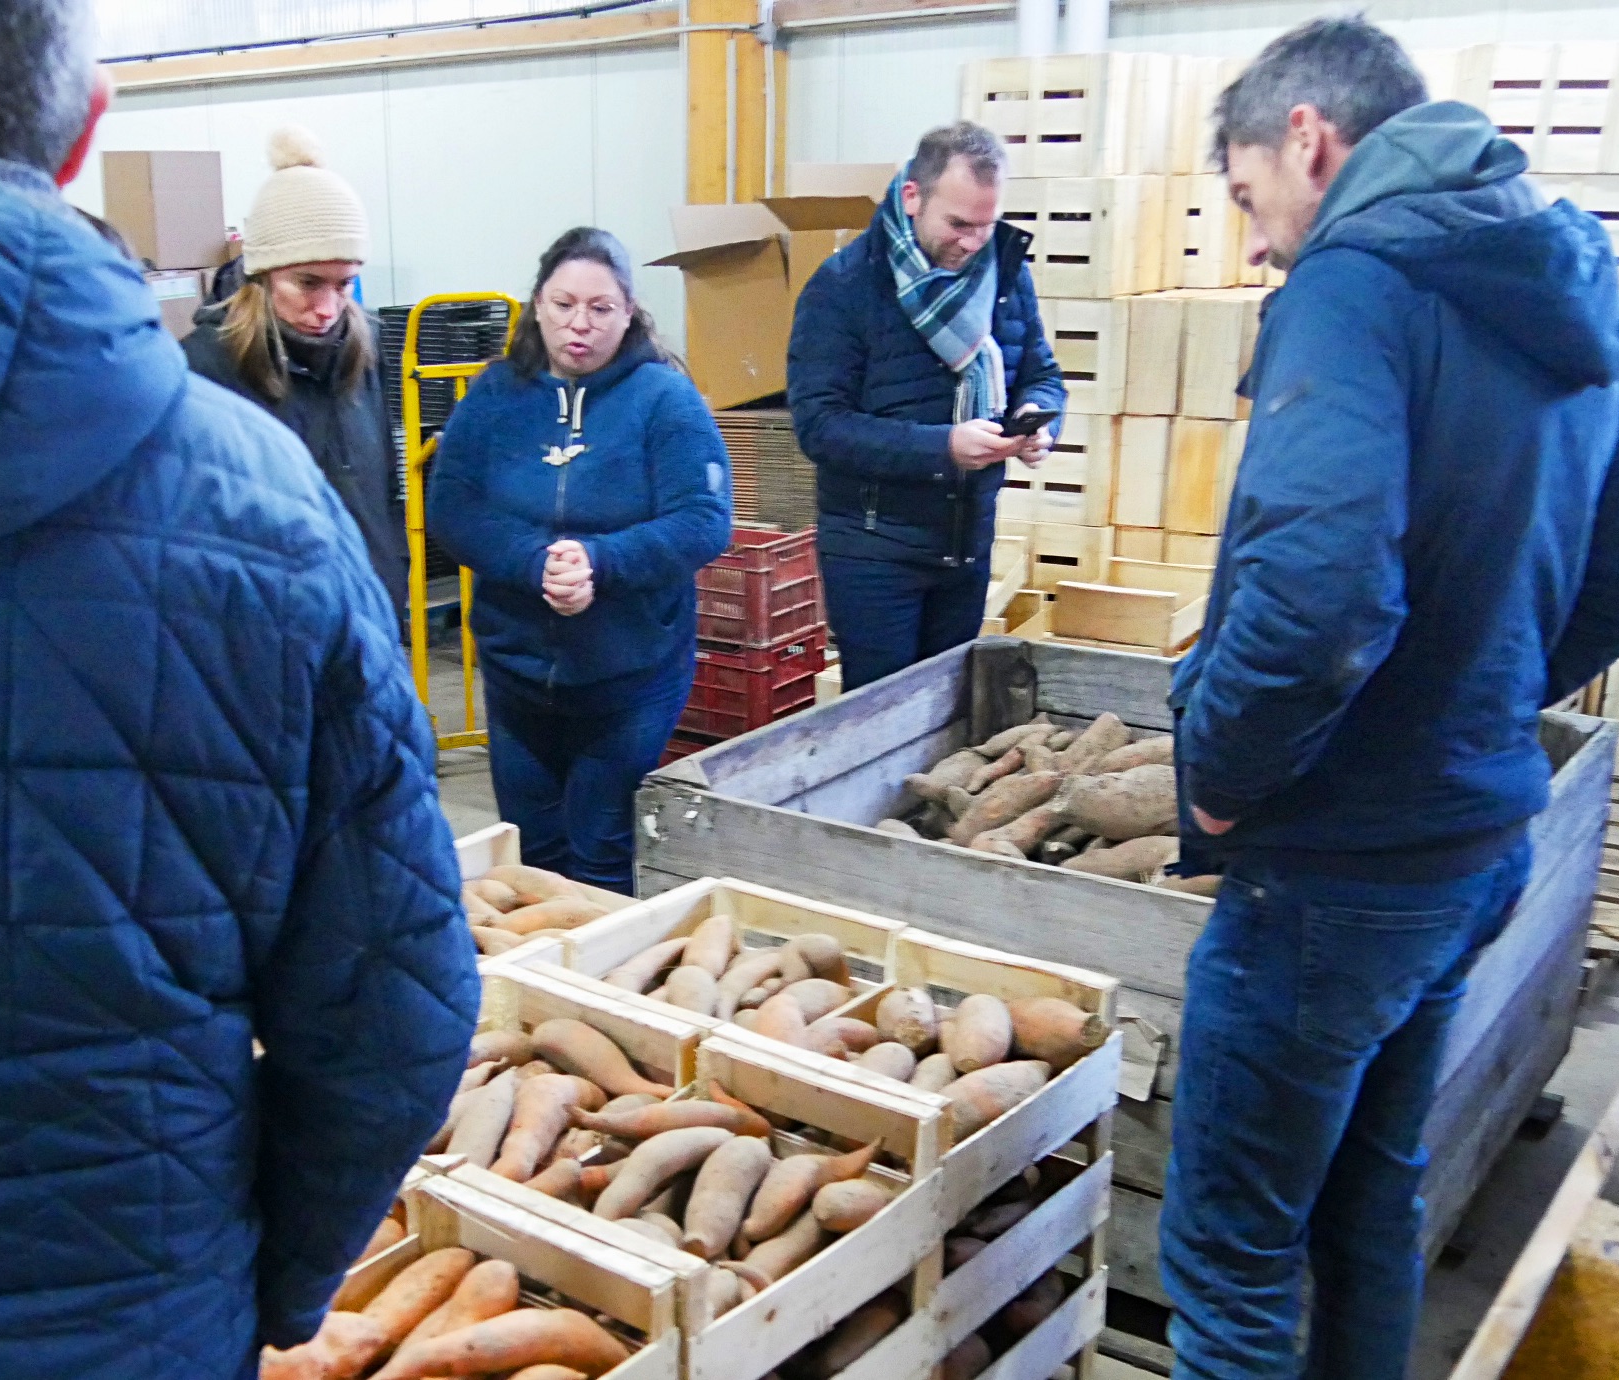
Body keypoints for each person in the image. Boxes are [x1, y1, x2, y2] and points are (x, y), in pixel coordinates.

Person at [0, 4, 479, 1377]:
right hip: (128, 1325)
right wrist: (258, 1290)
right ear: (89, 128)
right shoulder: (263, 514)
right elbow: (395, 1019)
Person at [1159, 18, 1619, 1379]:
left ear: (1308, 142)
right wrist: (1483, 704)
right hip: (1469, 853)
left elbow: (1319, 599)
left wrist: (1217, 774)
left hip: (1328, 879)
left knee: (1230, 1263)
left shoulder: (1350, 291)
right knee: (1368, 1208)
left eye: (1247, 196)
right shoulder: (1554, 291)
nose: (1258, 239)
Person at [431, 228, 731, 893]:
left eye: (600, 308)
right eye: (563, 303)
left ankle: (596, 984)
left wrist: (601, 561)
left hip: (628, 676)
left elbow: (703, 520)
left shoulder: (664, 401)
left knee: (598, 851)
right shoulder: (495, 396)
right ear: (536, 304)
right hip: (515, 677)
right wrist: (531, 561)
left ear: (628, 313)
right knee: (532, 856)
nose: (580, 324)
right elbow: (452, 505)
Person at [788, 120, 1066, 691]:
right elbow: (821, 427)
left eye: (986, 226)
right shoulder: (842, 288)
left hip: (965, 544)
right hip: (873, 555)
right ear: (912, 197)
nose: (970, 243)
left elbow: (1041, 371)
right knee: (883, 723)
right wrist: (943, 446)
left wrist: (1040, 418)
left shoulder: (1008, 277)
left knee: (949, 717)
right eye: (958, 224)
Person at [183, 128, 409, 622]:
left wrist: (393, 576)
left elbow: (384, 488)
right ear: (262, 275)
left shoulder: (366, 346)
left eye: (344, 284)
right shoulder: (205, 370)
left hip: (370, 613)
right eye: (307, 283)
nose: (327, 308)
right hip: (268, 629)